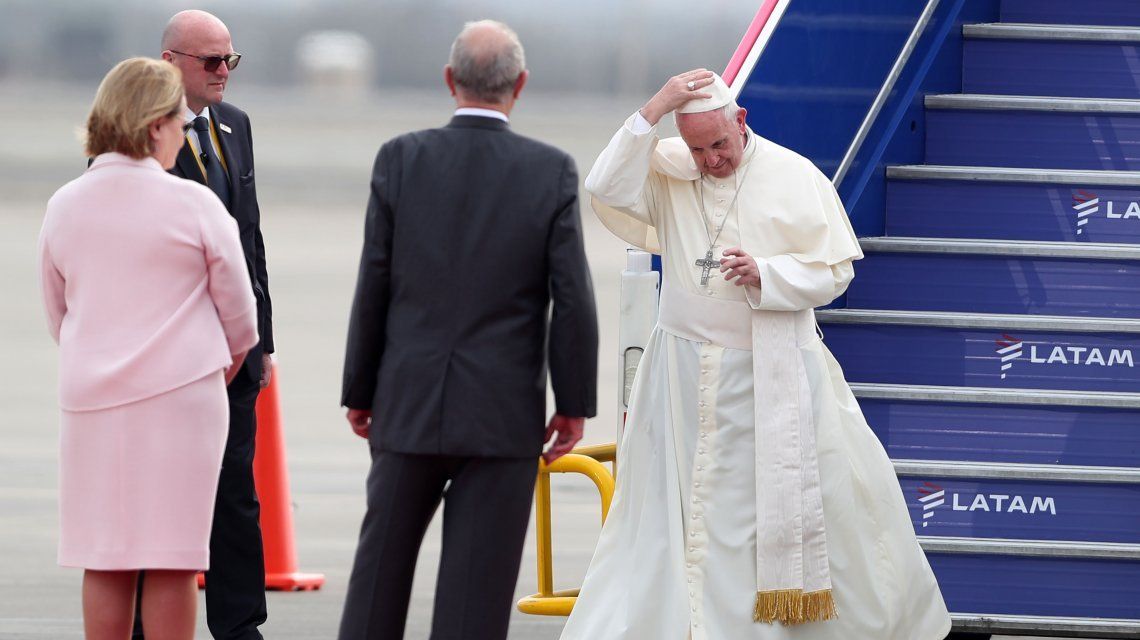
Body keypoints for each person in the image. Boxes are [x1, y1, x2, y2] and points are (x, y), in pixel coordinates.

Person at [560, 70, 951, 640]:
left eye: (719, 145)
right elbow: (607, 185)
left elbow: (834, 272)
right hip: (680, 376)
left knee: (775, 514)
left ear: (740, 121)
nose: (711, 161)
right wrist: (657, 106)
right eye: (698, 150)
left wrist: (766, 274)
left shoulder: (794, 174)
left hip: (771, 373)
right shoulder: (670, 171)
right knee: (683, 512)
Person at [338, 19, 599, 640]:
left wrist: (361, 391)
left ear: (450, 79)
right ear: (520, 84)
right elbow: (572, 298)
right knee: (473, 604)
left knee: (377, 581)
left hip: (407, 402)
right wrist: (573, 404)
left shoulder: (401, 157)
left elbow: (374, 282)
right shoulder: (550, 170)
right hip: (501, 415)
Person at [38, 57, 258, 640]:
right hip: (182, 402)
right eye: (179, 124)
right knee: (173, 557)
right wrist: (207, 373)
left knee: (102, 555)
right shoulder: (196, 205)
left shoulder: (64, 203)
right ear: (155, 124)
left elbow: (58, 313)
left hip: (91, 401)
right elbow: (241, 321)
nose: (183, 136)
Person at [130, 11, 276, 640]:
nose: (224, 72)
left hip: (233, 355)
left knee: (235, 495)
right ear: (170, 62)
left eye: (230, 60)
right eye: (211, 61)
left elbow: (251, 239)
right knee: (157, 499)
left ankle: (240, 626)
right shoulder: (137, 135)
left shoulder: (234, 124)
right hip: (168, 358)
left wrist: (262, 342)